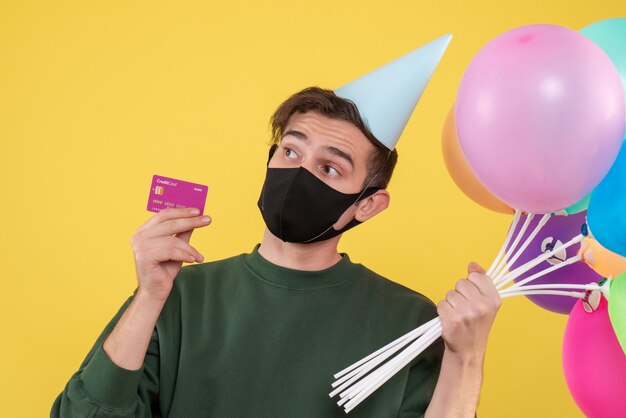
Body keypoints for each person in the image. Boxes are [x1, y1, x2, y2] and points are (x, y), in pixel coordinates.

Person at [51, 36, 501, 418]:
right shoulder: (180, 295)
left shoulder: (409, 321)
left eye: (329, 168)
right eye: (290, 151)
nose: (300, 172)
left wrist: (468, 357)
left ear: (368, 205)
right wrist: (149, 298)